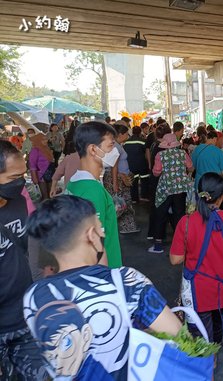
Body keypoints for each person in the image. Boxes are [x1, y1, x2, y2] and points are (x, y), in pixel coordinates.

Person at [23, 195, 182, 380]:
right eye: (101, 228)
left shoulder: (33, 296)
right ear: (91, 235)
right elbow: (176, 334)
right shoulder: (128, 282)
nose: (104, 234)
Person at [169, 173, 223, 343]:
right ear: (221, 198)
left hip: (197, 291)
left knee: (200, 334)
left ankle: (208, 365)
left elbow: (175, 259)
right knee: (217, 322)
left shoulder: (186, 222)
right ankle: (213, 357)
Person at [0, 141, 47, 380]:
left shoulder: (18, 202)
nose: (21, 183)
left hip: (24, 317)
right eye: (14, 177)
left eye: (24, 175)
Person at [65, 121, 120, 268]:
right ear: (93, 150)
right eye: (110, 145)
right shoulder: (92, 191)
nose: (115, 151)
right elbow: (94, 246)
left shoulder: (74, 182)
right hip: (104, 273)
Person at [149, 133, 193, 254]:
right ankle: (182, 244)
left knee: (161, 213)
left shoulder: (160, 155)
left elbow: (156, 172)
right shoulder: (183, 153)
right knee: (179, 214)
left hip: (166, 188)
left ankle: (158, 245)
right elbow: (190, 167)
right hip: (181, 187)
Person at [104, 124, 140, 234]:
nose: (128, 136)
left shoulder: (117, 145)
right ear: (120, 134)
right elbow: (113, 166)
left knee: (123, 202)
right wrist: (116, 181)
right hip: (118, 178)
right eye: (126, 134)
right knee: (121, 203)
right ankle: (122, 226)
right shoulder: (115, 146)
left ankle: (127, 226)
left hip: (120, 177)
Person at [146, 123, 171, 241]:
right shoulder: (163, 147)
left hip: (154, 178)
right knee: (161, 208)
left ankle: (152, 232)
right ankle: (159, 235)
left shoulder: (154, 144)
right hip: (162, 179)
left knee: (154, 206)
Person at [123, 126, 150, 202]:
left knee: (133, 182)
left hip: (131, 165)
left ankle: (134, 198)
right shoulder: (143, 141)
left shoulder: (126, 142)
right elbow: (146, 152)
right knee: (144, 180)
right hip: (142, 164)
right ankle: (144, 196)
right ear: (140, 132)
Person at [29, 133, 55, 200]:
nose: (46, 141)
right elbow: (32, 165)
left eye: (46, 139)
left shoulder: (46, 148)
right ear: (38, 141)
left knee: (50, 195)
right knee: (45, 196)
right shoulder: (34, 150)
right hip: (41, 174)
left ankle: (50, 208)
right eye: (43, 140)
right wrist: (34, 178)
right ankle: (45, 208)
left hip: (50, 172)